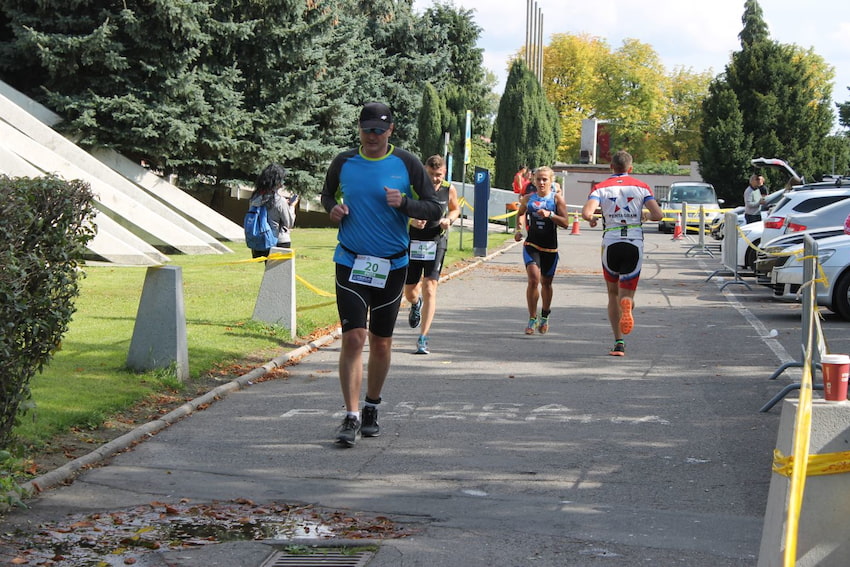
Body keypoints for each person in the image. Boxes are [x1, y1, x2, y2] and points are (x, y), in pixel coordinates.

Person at [320, 102, 442, 447]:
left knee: (381, 341)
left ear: (390, 131)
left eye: (379, 130)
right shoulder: (344, 162)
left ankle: (372, 404)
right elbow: (327, 194)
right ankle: (351, 414)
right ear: (359, 129)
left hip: (392, 265)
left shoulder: (406, 163)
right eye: (366, 129)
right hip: (351, 261)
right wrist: (334, 209)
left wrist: (405, 204)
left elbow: (433, 207)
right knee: (354, 337)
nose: (372, 136)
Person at [582, 150, 663, 357]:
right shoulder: (641, 187)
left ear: (611, 167)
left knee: (612, 293)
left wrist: (592, 218)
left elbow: (586, 213)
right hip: (634, 243)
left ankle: (619, 342)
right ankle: (628, 304)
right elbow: (658, 215)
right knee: (626, 294)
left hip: (611, 243)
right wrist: (644, 215)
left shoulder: (600, 187)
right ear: (630, 168)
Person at [404, 154, 461, 355]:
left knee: (430, 287)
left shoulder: (448, 188)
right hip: (412, 241)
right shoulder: (413, 187)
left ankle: (423, 338)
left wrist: (449, 220)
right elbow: (399, 209)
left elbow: (455, 209)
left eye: (438, 175)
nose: (434, 179)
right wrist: (411, 220)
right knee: (410, 291)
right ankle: (415, 303)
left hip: (436, 241)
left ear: (443, 173)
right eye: (431, 174)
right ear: (424, 171)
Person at [514, 166, 571, 335]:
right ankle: (532, 318)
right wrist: (519, 230)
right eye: (538, 179)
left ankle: (544, 315)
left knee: (546, 283)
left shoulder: (557, 199)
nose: (541, 182)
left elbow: (566, 223)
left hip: (550, 248)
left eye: (545, 179)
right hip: (532, 245)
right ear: (533, 181)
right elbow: (521, 213)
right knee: (533, 280)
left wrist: (550, 215)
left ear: (551, 181)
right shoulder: (528, 199)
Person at [248, 163, 298, 259]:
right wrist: (291, 206)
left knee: (269, 273)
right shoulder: (279, 200)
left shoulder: (255, 198)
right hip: (278, 241)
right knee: (281, 274)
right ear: (277, 181)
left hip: (259, 242)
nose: (282, 183)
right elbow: (289, 223)